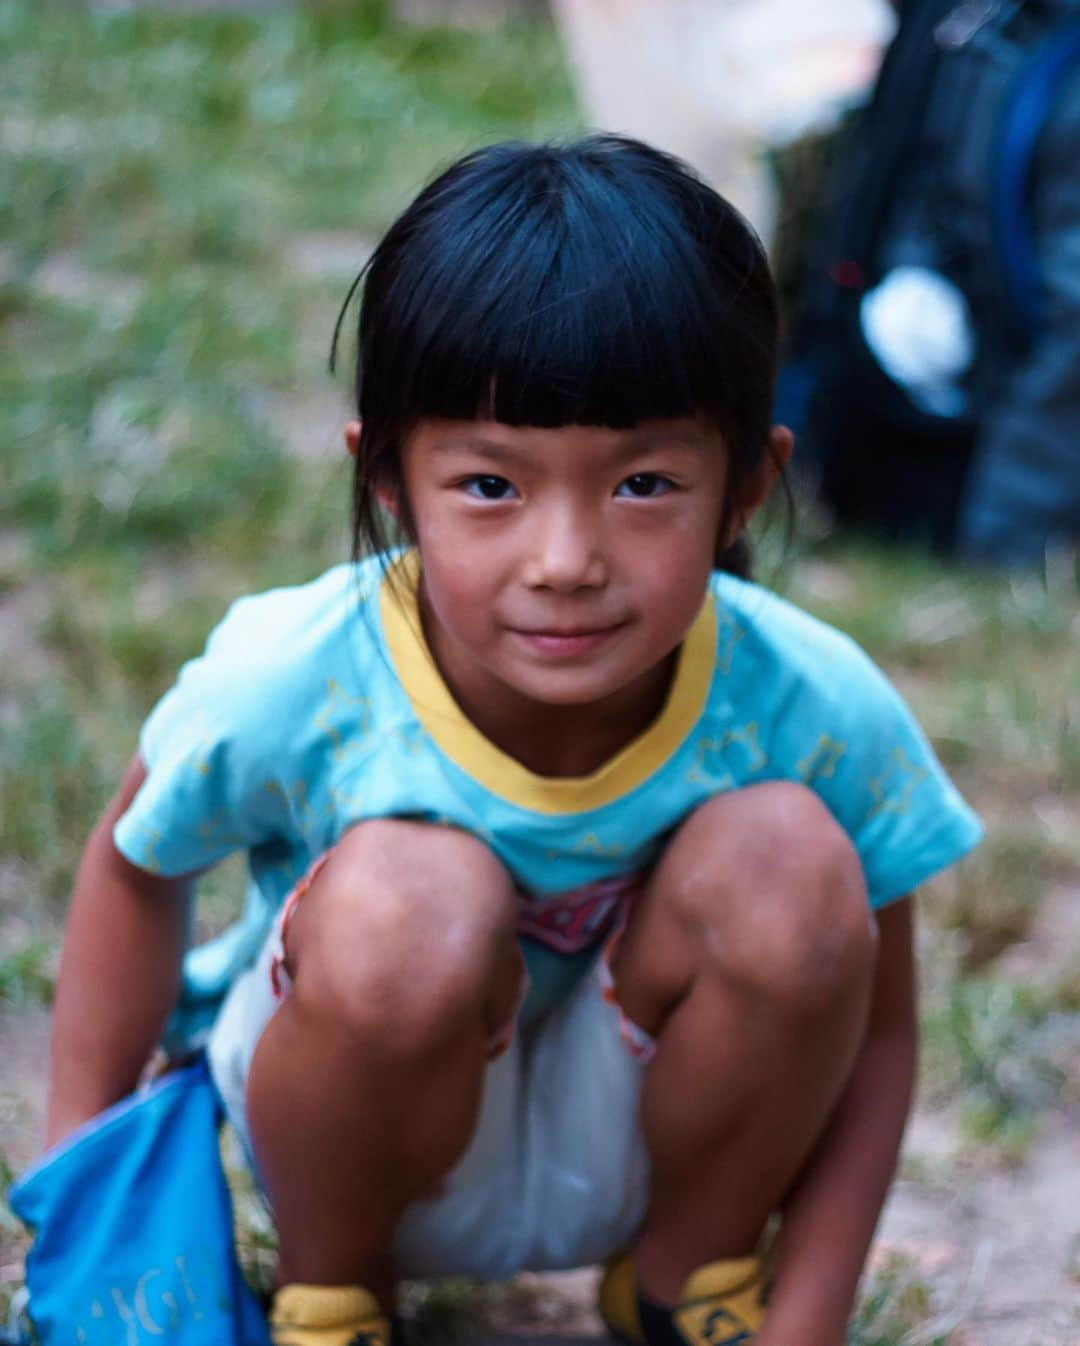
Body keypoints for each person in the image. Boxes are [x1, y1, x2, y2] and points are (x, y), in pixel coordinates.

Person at [43, 136, 982, 1346]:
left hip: (652, 1145)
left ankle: (682, 1281)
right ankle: (340, 1300)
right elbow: (136, 860)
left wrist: (808, 1317)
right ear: (387, 476)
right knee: (408, 895)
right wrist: (80, 1198)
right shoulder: (296, 673)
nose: (566, 559)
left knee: (795, 864)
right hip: (355, 1141)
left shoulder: (810, 705)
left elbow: (881, 1026)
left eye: (643, 483)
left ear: (749, 482)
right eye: (491, 484)